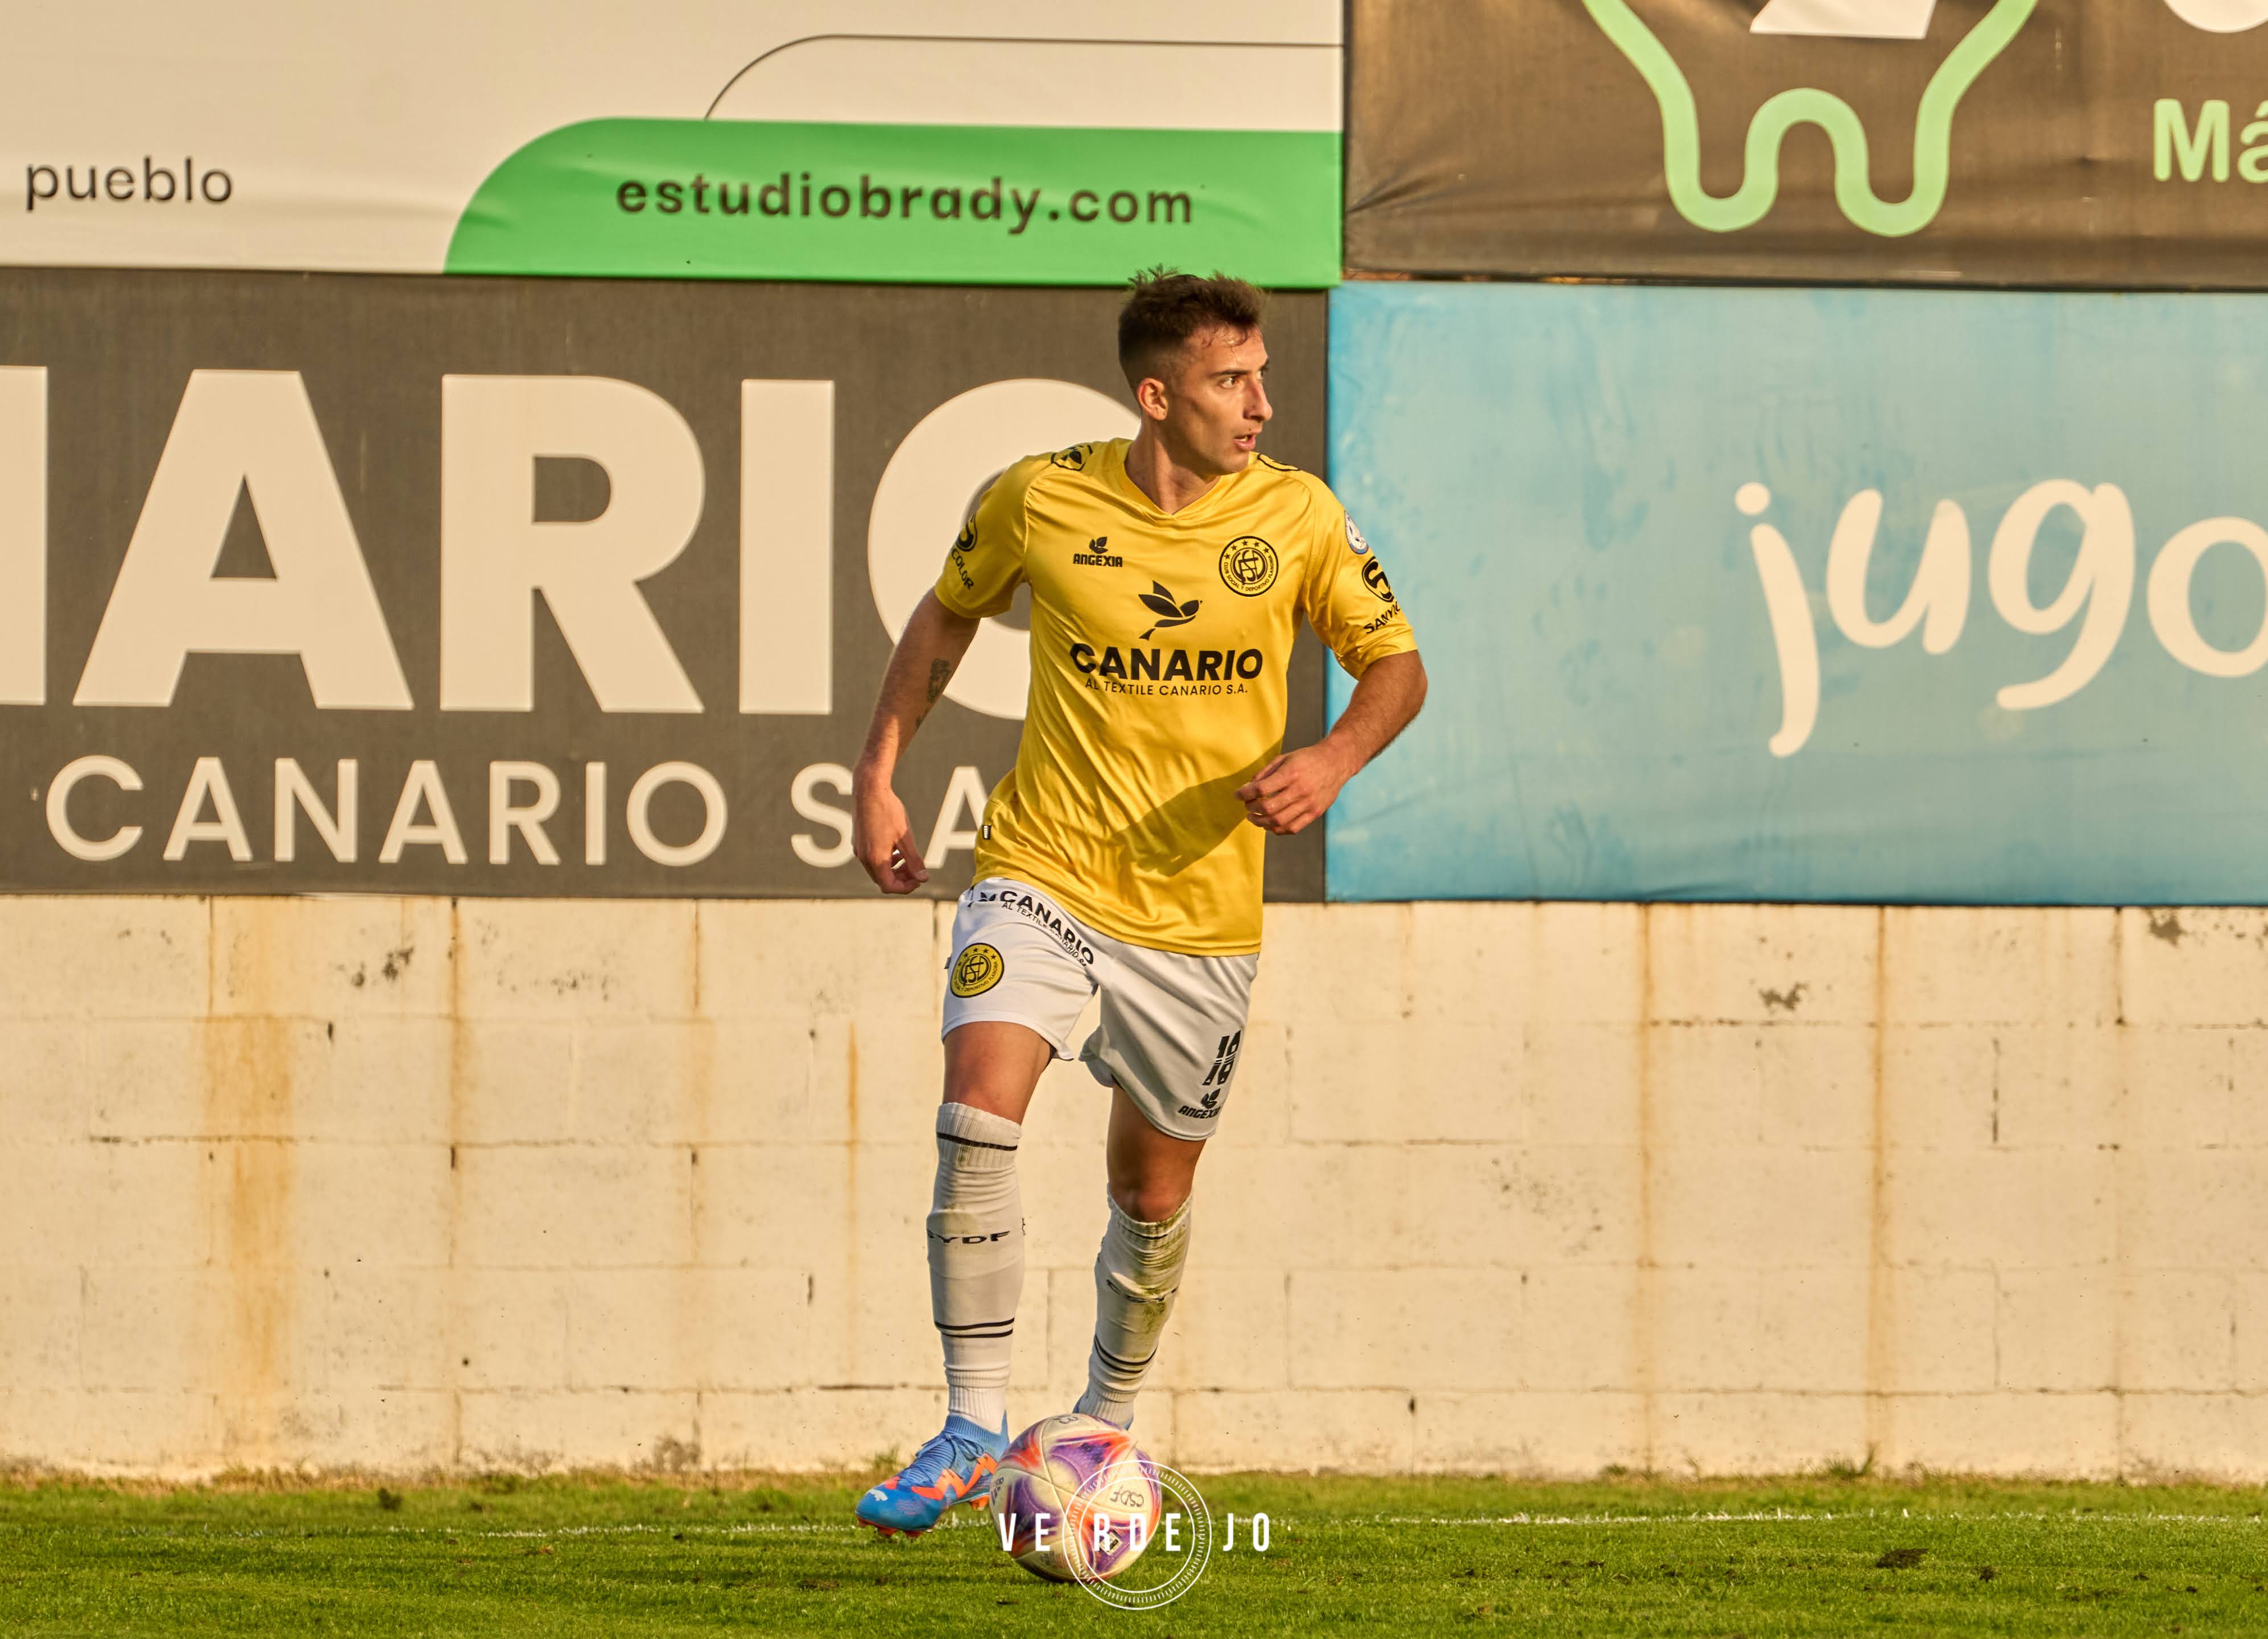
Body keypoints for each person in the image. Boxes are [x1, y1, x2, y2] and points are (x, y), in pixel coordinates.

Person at [849, 270, 1427, 1537]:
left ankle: (1102, 1421)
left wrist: (1330, 758)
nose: (1261, 403)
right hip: (1041, 873)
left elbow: (1395, 664)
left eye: (1262, 375)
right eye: (1232, 381)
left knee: (1151, 1195)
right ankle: (969, 1421)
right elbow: (945, 619)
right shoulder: (1038, 497)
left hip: (1199, 922)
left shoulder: (1297, 518)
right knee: (975, 1106)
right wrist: (880, 771)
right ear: (1154, 395)